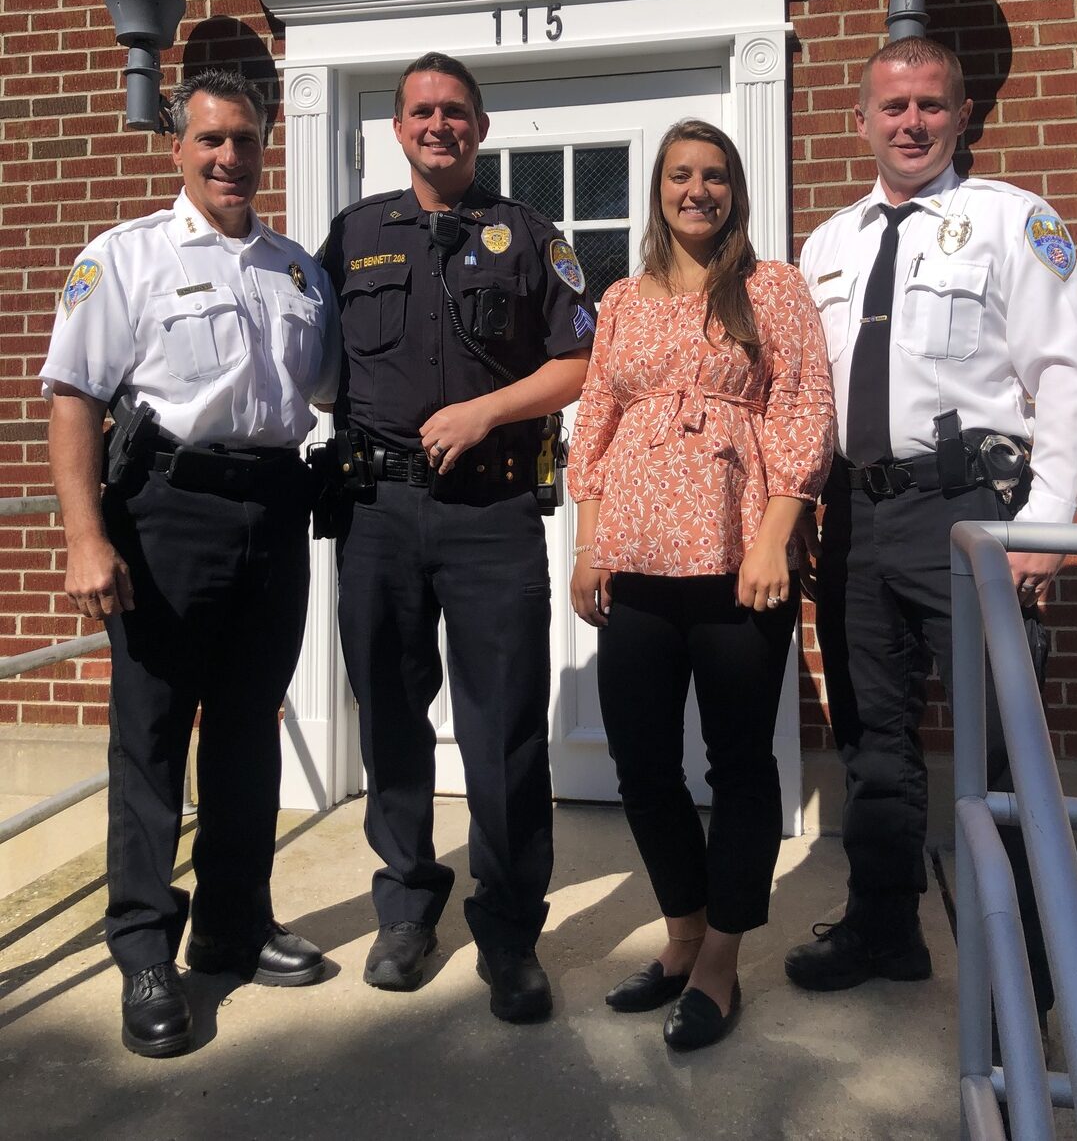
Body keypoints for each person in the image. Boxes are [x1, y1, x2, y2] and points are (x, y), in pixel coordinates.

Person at [786, 38, 1077, 1028]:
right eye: (893, 107)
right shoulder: (826, 246)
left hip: (969, 513)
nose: (910, 123)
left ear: (962, 116)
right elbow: (804, 397)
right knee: (874, 738)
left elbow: (1066, 378)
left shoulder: (1014, 222)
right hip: (857, 516)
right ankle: (885, 926)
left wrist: (1044, 528)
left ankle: (1029, 988)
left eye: (930, 106)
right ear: (863, 120)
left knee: (1000, 750)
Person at [41, 69, 340, 1059]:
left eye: (245, 141)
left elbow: (331, 390)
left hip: (274, 511)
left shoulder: (297, 271)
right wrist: (86, 536)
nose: (229, 158)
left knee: (250, 728)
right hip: (166, 513)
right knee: (154, 736)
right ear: (177, 147)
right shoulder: (124, 258)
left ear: (263, 147)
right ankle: (141, 949)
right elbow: (75, 397)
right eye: (210, 140)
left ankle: (232, 924)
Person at [319, 52, 596, 1023]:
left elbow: (578, 362)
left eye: (456, 112)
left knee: (506, 731)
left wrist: (483, 414)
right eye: (421, 112)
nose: (439, 125)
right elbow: (310, 360)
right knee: (390, 715)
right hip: (378, 517)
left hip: (491, 515)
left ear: (479, 129)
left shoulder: (525, 234)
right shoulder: (352, 236)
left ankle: (511, 933)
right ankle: (405, 909)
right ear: (399, 130)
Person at [567, 119, 835, 1051]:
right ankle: (681, 934)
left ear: (735, 189)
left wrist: (775, 535)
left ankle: (721, 961)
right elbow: (595, 417)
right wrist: (587, 545)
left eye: (713, 175)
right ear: (658, 190)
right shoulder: (622, 300)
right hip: (635, 559)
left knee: (737, 765)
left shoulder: (774, 288)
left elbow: (804, 406)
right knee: (640, 761)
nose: (697, 191)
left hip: (736, 561)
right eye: (680, 175)